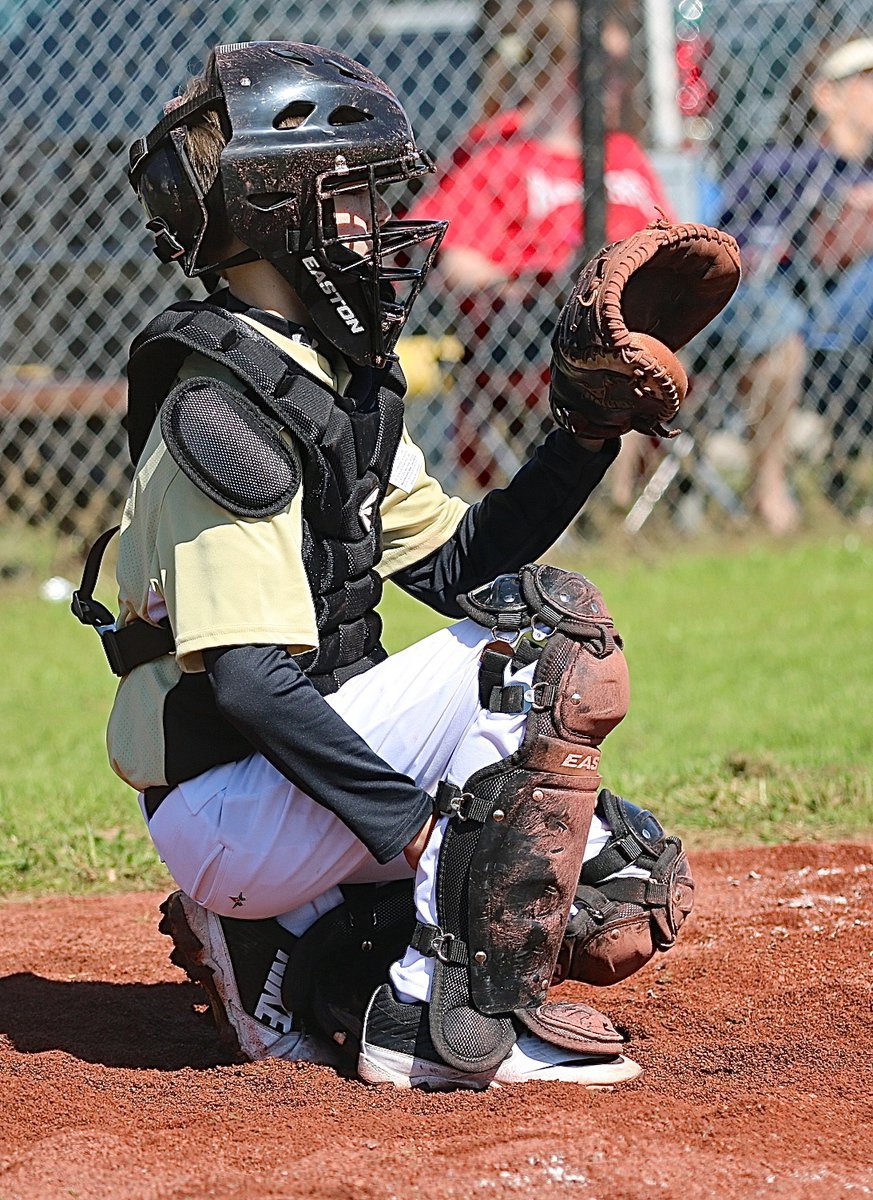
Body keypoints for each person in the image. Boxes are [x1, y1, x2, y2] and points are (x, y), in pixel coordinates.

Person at [79, 40, 695, 1092]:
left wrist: (583, 437)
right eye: (356, 195)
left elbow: (460, 567)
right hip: (227, 795)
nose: (384, 221)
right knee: (546, 657)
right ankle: (424, 1020)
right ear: (280, 212)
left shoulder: (325, 374)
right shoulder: (220, 405)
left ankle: (303, 948)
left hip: (278, 785)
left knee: (612, 879)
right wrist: (425, 837)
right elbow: (248, 684)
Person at [407, 2, 673, 502]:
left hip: (642, 321)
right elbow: (456, 263)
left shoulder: (626, 155)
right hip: (532, 331)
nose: (622, 83)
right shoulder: (498, 149)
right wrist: (539, 285)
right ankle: (606, 502)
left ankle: (617, 502)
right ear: (559, 68)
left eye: (625, 69)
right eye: (606, 70)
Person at [697, 35, 873, 528]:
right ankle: (769, 489)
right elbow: (728, 256)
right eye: (868, 80)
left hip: (851, 319)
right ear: (827, 96)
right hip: (776, 306)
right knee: (776, 319)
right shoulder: (780, 167)